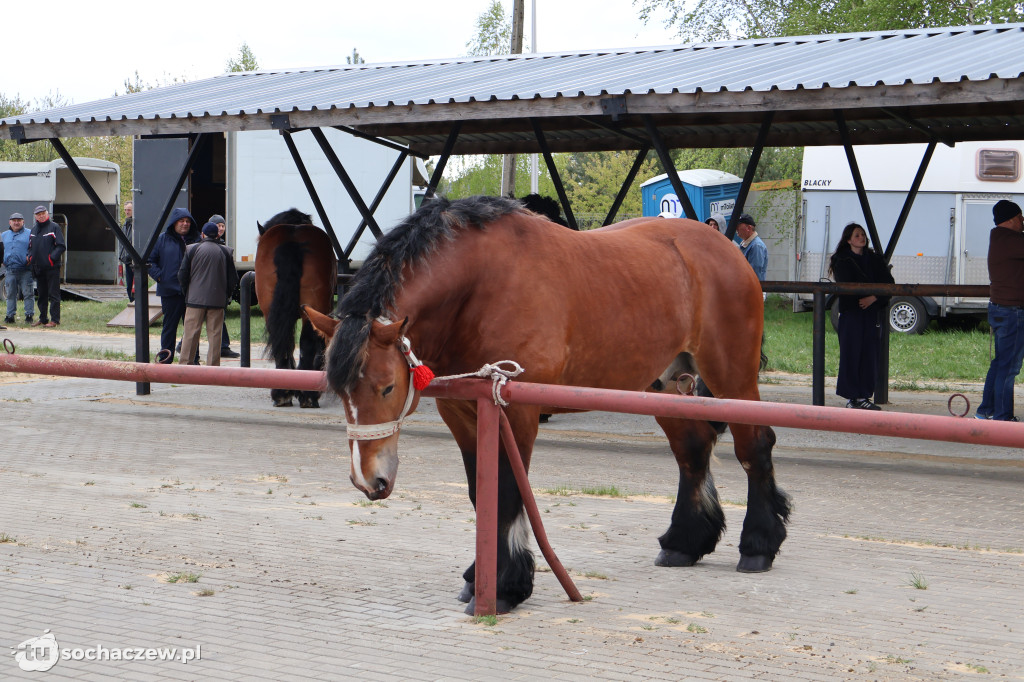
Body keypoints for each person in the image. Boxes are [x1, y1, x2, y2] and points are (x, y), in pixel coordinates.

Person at [829, 222, 894, 411]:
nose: (861, 238)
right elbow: (846, 284)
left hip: (872, 312)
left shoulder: (874, 259)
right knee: (851, 353)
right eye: (857, 235)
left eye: (863, 235)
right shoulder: (841, 260)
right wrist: (864, 295)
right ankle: (852, 396)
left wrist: (873, 297)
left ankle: (864, 395)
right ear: (848, 239)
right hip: (852, 313)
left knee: (870, 354)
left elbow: (889, 283)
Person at [976, 200, 1024, 422]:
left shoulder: (999, 237)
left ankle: (986, 410)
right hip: (1012, 310)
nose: (1023, 221)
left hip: (1001, 308)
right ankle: (1003, 417)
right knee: (1009, 366)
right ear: (1013, 218)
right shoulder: (1011, 239)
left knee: (1000, 362)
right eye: (1021, 217)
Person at [178, 222, 239, 366]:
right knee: (215, 334)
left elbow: (182, 275)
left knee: (190, 334)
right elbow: (233, 279)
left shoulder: (191, 249)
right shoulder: (226, 251)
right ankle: (213, 368)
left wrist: (187, 292)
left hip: (194, 299)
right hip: (217, 300)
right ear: (217, 234)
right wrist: (226, 295)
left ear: (203, 234)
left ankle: (185, 366)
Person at [148, 207, 199, 363]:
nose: (185, 224)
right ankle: (165, 359)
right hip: (169, 292)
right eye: (181, 221)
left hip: (191, 293)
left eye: (188, 221)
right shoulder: (162, 239)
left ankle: (192, 360)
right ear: (174, 223)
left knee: (191, 329)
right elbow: (150, 261)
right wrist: (160, 277)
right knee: (169, 328)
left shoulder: (196, 240)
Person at [27, 206, 65, 327]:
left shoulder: (54, 227)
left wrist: (51, 258)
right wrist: (29, 256)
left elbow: (61, 246)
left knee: (54, 294)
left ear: (47, 214)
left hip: (52, 268)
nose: (41, 216)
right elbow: (30, 247)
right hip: (38, 268)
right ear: (35, 216)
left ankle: (55, 320)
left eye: (43, 213)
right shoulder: (33, 230)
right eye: (38, 214)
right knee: (41, 295)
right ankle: (43, 318)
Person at [208, 213, 240, 358]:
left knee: (220, 318)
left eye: (222, 225)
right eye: (218, 225)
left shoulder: (223, 245)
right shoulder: (203, 244)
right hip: (209, 289)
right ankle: (183, 345)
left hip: (220, 289)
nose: (221, 228)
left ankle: (223, 346)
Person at [2, 212, 35, 326]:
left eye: (19, 220)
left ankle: (29, 316)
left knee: (28, 293)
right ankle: (10, 316)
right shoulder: (4, 235)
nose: (16, 222)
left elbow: (35, 248)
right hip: (10, 270)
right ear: (10, 222)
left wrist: (30, 258)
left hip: (25, 269)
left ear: (23, 222)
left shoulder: (30, 234)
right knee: (10, 294)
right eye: (14, 220)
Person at [734, 213, 768, 281]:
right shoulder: (746, 244)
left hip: (753, 289)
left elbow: (754, 274)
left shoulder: (756, 246)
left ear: (748, 228)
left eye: (738, 226)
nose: (736, 228)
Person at [118, 201, 135, 302]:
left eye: (129, 210)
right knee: (129, 286)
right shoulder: (125, 224)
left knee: (135, 285)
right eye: (125, 210)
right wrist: (121, 256)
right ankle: (132, 303)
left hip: (134, 260)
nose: (126, 212)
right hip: (127, 260)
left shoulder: (136, 225)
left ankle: (137, 305)